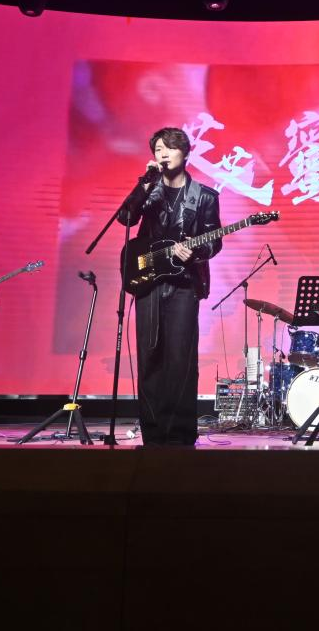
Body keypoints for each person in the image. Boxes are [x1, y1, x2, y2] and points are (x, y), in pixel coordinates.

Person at [120, 127, 222, 446]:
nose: (162, 154)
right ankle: (153, 431)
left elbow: (215, 241)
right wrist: (143, 185)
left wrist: (196, 251)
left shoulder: (205, 196)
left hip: (184, 284)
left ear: (185, 152)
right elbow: (125, 218)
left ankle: (179, 433)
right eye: (157, 149)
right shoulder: (149, 191)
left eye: (169, 148)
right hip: (148, 281)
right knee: (149, 355)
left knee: (181, 358)